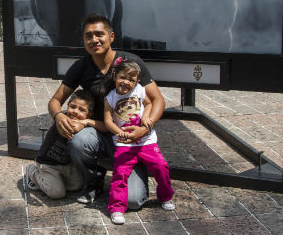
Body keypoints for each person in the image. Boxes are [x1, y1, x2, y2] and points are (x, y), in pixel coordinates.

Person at [47, 13, 166, 206]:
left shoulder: (131, 63)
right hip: (101, 133)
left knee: (133, 201)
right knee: (80, 140)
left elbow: (157, 99)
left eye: (99, 34)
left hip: (133, 140)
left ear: (111, 37)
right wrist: (58, 116)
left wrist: (145, 128)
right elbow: (55, 100)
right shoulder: (81, 66)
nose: (94, 40)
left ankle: (134, 173)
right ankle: (93, 181)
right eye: (88, 36)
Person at [103, 60, 174, 225]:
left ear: (136, 81)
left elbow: (149, 103)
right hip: (124, 143)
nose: (126, 82)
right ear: (115, 76)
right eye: (122, 77)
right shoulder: (110, 97)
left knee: (161, 166)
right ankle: (117, 208)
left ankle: (166, 196)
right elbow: (108, 121)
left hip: (146, 141)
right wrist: (119, 132)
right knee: (120, 173)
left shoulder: (140, 91)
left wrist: (145, 119)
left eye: (131, 80)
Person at [26, 89, 95, 199]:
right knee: (57, 193)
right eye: (73, 107)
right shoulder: (63, 119)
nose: (75, 112)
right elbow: (75, 127)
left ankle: (53, 181)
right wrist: (84, 122)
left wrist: (87, 122)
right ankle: (32, 172)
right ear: (67, 106)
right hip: (49, 164)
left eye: (82, 110)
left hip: (67, 165)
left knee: (78, 185)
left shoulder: (85, 122)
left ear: (89, 114)